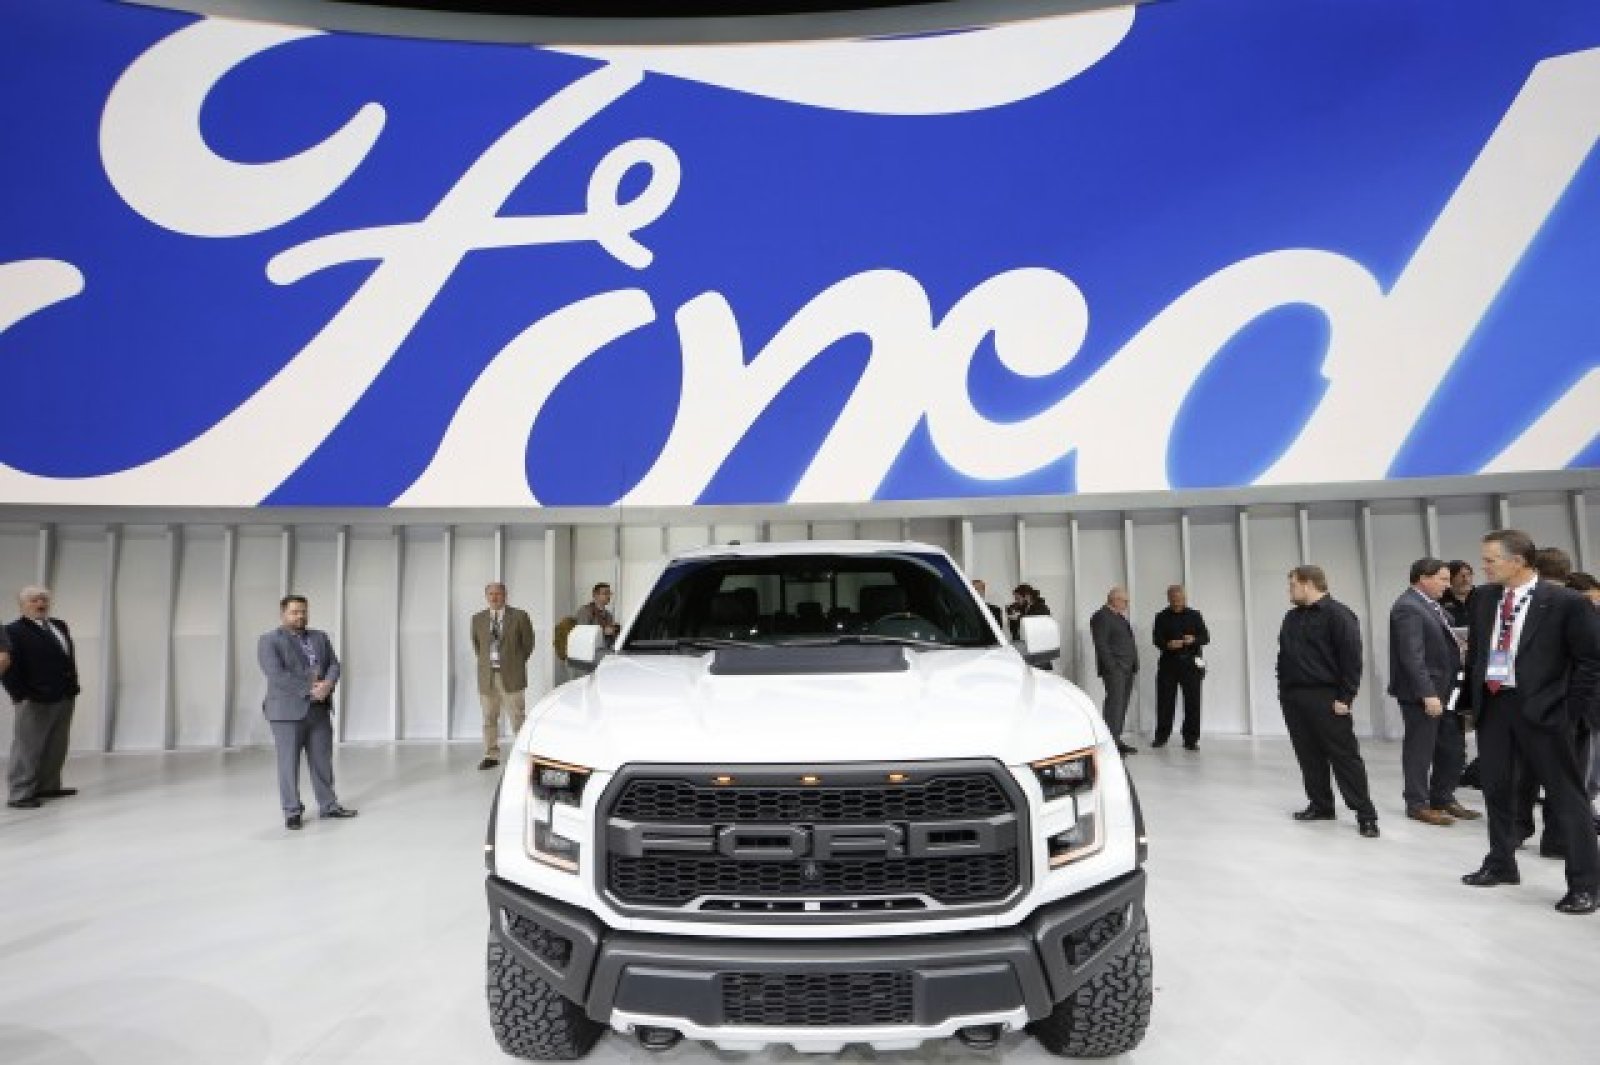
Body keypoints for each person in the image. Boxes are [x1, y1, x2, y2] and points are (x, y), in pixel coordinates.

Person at [1459, 530, 1599, 915]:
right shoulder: (1484, 598)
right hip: (1495, 707)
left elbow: (1590, 662)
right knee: (1497, 790)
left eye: (1490, 560)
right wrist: (1471, 703)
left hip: (1547, 712)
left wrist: (1569, 712)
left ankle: (1585, 885)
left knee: (1566, 797)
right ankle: (1501, 862)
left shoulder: (1567, 603)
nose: (1484, 567)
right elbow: (1478, 654)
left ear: (1518, 561)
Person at [1277, 565, 1379, 838]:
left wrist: (1346, 697)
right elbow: (1283, 655)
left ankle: (1365, 815)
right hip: (1294, 698)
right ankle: (1321, 805)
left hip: (1327, 697)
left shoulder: (1339, 615)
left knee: (1344, 757)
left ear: (1307, 584)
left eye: (1292, 585)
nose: (1290, 591)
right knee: (1308, 756)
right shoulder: (1291, 617)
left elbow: (1352, 660)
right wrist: (1283, 691)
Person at [1388, 558, 1476, 826]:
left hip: (1447, 690)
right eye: (1443, 579)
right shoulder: (1408, 607)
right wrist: (1427, 694)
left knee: (1452, 746)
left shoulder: (1431, 605)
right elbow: (1411, 656)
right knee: (1421, 749)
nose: (1447, 585)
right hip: (1425, 693)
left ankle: (1443, 796)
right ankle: (1417, 803)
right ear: (1423, 578)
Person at [258, 595, 357, 830]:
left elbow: (334, 664)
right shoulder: (269, 640)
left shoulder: (320, 637)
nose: (300, 616)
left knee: (322, 761)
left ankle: (329, 805)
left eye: (303, 611)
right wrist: (312, 690)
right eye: (294, 612)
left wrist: (328, 684)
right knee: (288, 764)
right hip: (286, 713)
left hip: (319, 710)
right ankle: (292, 811)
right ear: (283, 614)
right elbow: (276, 675)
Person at [3, 586, 80, 810]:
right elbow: (8, 667)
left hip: (64, 694)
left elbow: (65, 658)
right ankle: (20, 794)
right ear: (22, 605)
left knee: (56, 745)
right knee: (27, 748)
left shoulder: (59, 625)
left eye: (44, 599)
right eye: (34, 600)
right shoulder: (12, 631)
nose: (40, 604)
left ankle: (48, 786)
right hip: (34, 699)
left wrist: (72, 686)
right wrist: (20, 694)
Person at [471, 582, 536, 771]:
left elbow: (528, 644)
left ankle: (524, 755)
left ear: (505, 595)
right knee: (489, 718)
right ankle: (491, 755)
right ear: (486, 596)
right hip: (487, 677)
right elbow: (478, 646)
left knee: (517, 717)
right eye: (490, 594)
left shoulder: (520, 616)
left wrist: (514, 662)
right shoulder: (477, 619)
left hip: (512, 675)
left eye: (498, 593)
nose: (494, 597)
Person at [1151, 585, 1209, 750]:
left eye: (1180, 599)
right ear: (1168, 599)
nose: (1177, 602)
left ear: (1185, 598)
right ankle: (1161, 737)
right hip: (1168, 664)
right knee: (1165, 702)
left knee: (1193, 703)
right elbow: (1157, 639)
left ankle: (1191, 739)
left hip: (1191, 665)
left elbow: (1205, 637)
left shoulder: (1195, 615)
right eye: (1174, 599)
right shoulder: (1161, 617)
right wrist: (1168, 645)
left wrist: (1194, 640)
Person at [1089, 587, 1139, 755]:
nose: (1127, 604)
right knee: (1114, 706)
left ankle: (1116, 739)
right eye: (1124, 601)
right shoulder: (1101, 616)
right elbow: (1101, 644)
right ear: (1114, 600)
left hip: (1127, 668)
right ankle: (1110, 743)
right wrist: (1112, 667)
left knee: (1121, 705)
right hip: (1116, 670)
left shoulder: (1119, 617)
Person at [575, 583, 621, 650]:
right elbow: (582, 634)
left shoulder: (609, 615)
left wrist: (615, 631)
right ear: (595, 595)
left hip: (606, 650)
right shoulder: (585, 611)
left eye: (609, 593)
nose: (608, 596)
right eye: (605, 593)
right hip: (590, 651)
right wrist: (603, 631)